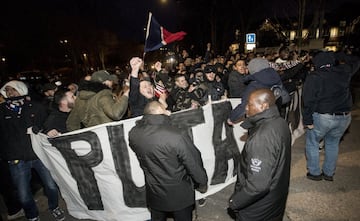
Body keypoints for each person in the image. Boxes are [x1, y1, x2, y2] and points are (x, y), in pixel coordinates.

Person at [128, 101, 208, 221]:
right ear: (158, 111)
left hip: (154, 190)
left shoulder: (133, 133)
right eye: (165, 109)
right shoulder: (176, 135)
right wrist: (202, 181)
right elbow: (193, 162)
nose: (169, 111)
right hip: (179, 193)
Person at [0, 80, 65, 221]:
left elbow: (47, 123)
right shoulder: (2, 110)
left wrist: (42, 129)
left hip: (38, 155)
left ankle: (54, 207)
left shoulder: (35, 107)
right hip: (17, 159)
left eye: (13, 90)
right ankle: (32, 215)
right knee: (23, 195)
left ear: (21, 90)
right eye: (7, 91)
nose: (10, 93)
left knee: (52, 186)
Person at [228, 88, 291, 221]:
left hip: (257, 209)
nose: (246, 108)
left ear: (263, 106)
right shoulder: (280, 122)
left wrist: (235, 202)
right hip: (274, 200)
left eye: (249, 104)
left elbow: (258, 186)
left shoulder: (262, 138)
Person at [302, 51, 360, 181]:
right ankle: (328, 173)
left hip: (323, 117)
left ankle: (314, 172)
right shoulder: (344, 71)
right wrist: (339, 55)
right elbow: (356, 60)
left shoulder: (315, 76)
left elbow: (308, 100)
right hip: (344, 117)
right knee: (333, 143)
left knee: (312, 143)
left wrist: (307, 120)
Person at [228, 58, 285, 124]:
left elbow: (245, 105)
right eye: (239, 65)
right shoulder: (274, 77)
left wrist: (232, 118)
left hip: (261, 120)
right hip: (275, 116)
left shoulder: (255, 84)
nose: (243, 67)